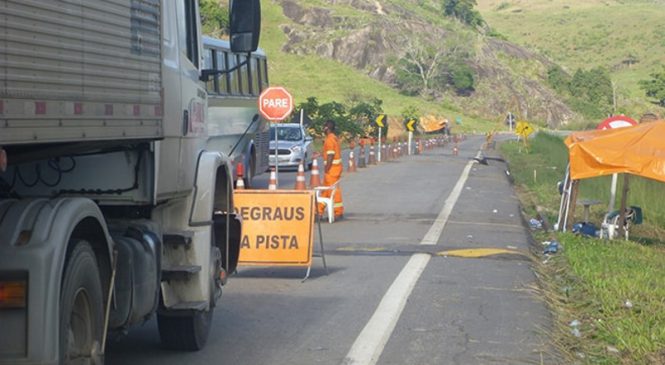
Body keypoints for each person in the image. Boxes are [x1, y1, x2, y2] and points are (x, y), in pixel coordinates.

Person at [319, 120, 344, 219]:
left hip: (332, 169)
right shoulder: (334, 138)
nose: (323, 129)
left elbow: (330, 155)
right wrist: (320, 154)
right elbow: (330, 152)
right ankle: (319, 211)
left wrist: (327, 168)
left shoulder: (329, 139)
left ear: (326, 128)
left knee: (333, 191)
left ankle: (338, 212)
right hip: (335, 169)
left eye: (324, 127)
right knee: (326, 190)